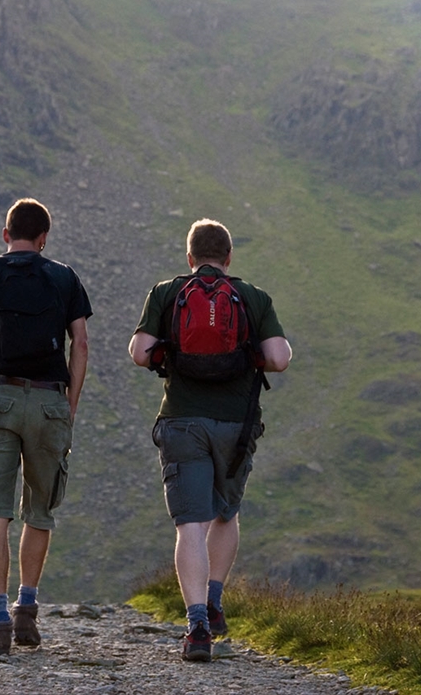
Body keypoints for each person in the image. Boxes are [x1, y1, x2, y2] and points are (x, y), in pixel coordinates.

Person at [128, 218, 291, 662]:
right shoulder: (253, 298)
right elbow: (278, 358)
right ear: (229, 257)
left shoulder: (167, 292)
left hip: (181, 421)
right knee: (226, 512)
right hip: (235, 429)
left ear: (189, 258)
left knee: (190, 526)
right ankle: (215, 600)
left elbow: (140, 352)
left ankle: (197, 624)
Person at [0, 198, 92, 654]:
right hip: (50, 399)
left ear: (5, 234)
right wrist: (68, 405)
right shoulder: (65, 277)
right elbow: (82, 345)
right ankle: (26, 611)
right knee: (39, 509)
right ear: (43, 238)